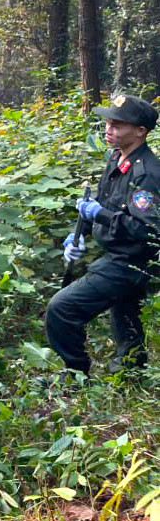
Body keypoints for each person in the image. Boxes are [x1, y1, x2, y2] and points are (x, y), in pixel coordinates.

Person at [46, 95, 160, 375]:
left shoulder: (146, 174)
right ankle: (132, 371)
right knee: (124, 316)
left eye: (117, 125)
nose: (108, 129)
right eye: (108, 122)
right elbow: (103, 201)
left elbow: (148, 231)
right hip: (118, 253)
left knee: (62, 308)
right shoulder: (117, 158)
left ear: (140, 131)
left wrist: (101, 216)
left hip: (132, 261)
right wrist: (79, 235)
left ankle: (75, 372)